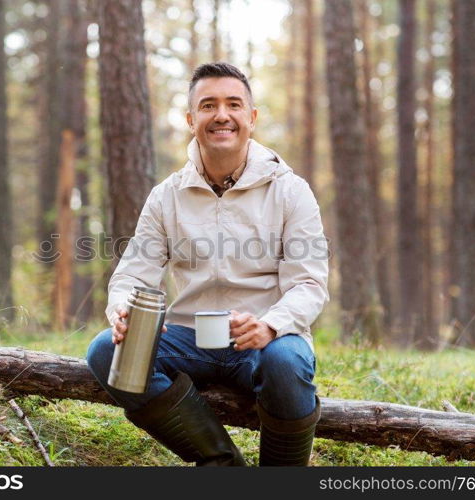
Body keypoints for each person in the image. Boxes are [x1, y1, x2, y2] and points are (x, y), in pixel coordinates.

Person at [87, 62, 329, 466]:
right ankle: (221, 464)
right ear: (190, 119)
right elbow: (133, 272)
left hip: (265, 342)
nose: (221, 115)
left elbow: (309, 284)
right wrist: (123, 309)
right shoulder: (167, 196)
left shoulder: (291, 191)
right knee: (104, 352)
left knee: (287, 362)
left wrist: (270, 324)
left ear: (251, 118)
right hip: (191, 340)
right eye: (208, 105)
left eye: (234, 104)